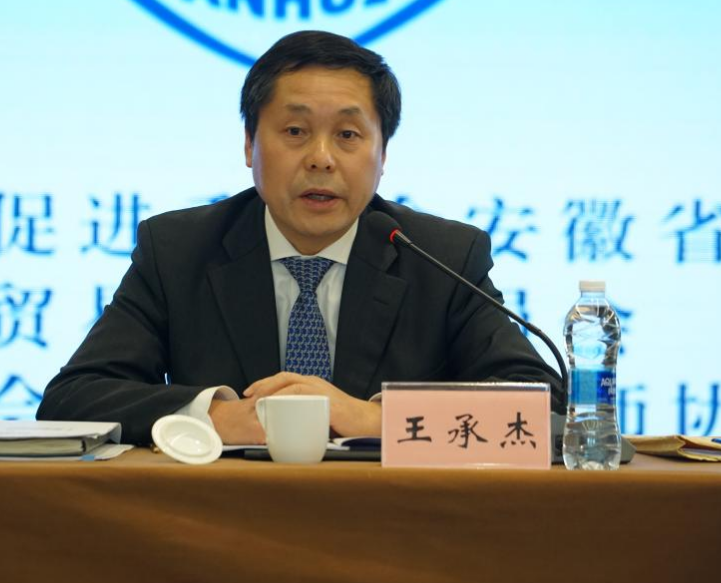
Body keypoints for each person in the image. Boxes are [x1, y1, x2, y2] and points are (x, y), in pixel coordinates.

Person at [37, 30, 564, 445]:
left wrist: (374, 418)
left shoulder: (441, 258)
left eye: (348, 135)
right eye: (294, 131)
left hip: (394, 522)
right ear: (249, 144)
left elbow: (544, 406)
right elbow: (74, 398)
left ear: (383, 155)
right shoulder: (178, 252)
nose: (321, 158)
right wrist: (215, 417)